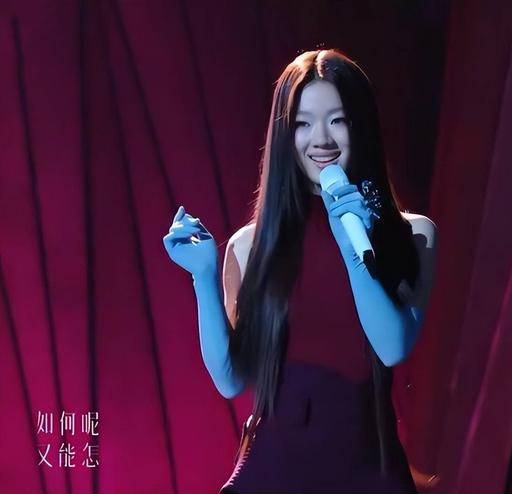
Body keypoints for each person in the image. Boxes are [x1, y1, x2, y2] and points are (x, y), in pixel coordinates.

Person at [163, 49, 437, 494]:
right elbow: (231, 379)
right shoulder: (250, 245)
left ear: (362, 125)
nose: (320, 139)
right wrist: (202, 277)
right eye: (303, 123)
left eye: (338, 120)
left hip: (367, 472)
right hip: (273, 472)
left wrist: (351, 245)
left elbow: (392, 346)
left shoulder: (412, 235)